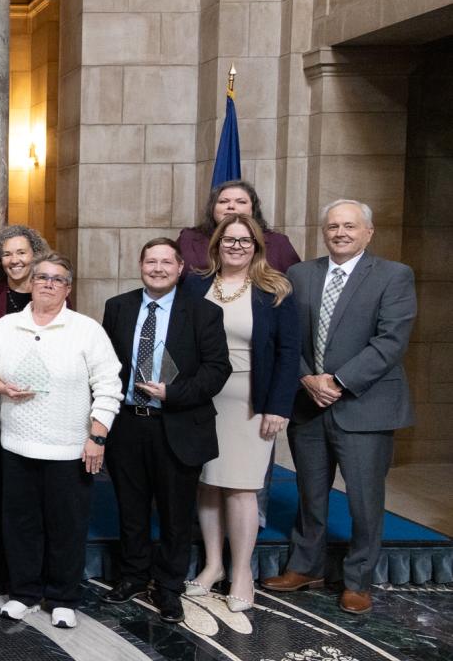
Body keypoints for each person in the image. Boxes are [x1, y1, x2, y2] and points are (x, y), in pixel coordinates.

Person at [261, 199, 416, 616]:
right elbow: (285, 336)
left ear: (369, 232)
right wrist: (306, 377)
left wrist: (339, 381)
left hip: (365, 406)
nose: (340, 233)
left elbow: (391, 340)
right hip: (308, 403)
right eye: (333, 226)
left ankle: (358, 580)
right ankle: (305, 566)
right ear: (324, 232)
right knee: (310, 493)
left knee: (365, 499)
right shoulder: (300, 274)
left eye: (350, 226)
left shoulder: (393, 276)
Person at [0, 254, 121, 629]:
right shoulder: (7, 325)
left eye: (57, 279)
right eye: (41, 277)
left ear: (68, 289)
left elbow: (109, 385)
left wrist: (97, 436)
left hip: (69, 448)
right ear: (30, 283)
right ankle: (24, 592)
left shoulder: (86, 330)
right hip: (16, 445)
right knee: (21, 523)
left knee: (66, 525)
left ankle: (62, 597)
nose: (47, 283)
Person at [100, 239, 231, 624]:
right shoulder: (118, 307)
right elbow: (107, 365)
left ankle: (169, 587)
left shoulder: (203, 313)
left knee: (176, 515)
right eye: (150, 261)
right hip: (128, 425)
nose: (157, 268)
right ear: (140, 265)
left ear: (179, 268)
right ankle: (133, 576)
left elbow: (217, 369)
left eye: (165, 262)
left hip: (178, 425)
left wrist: (172, 393)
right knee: (131, 509)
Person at [180, 214, 300, 612]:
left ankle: (242, 571)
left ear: (257, 245)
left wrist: (277, 406)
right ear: (217, 244)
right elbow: (178, 339)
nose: (236, 246)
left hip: (251, 398)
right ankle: (213, 565)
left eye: (245, 240)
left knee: (243, 487)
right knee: (209, 483)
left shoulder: (275, 288)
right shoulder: (195, 284)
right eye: (229, 239)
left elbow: (287, 353)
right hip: (203, 397)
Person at [0, 224, 53, 594]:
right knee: (7, 493)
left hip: (44, 413)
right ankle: (5, 567)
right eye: (7, 254)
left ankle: (38, 568)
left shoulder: (50, 294)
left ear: (35, 255)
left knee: (39, 494)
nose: (15, 260)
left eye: (21, 252)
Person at [179, 180, 300, 274]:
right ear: (212, 208)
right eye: (223, 201)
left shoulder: (278, 242)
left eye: (241, 202)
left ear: (253, 209)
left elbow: (295, 282)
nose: (231, 206)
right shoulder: (188, 238)